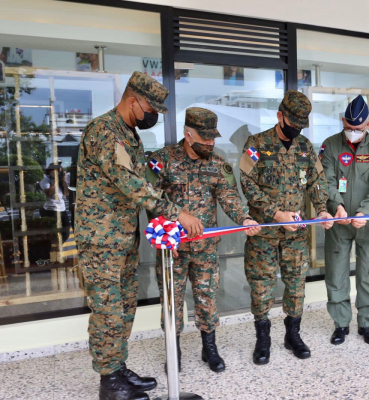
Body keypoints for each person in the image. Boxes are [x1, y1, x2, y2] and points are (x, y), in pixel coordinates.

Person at [75, 71, 203, 400]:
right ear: (134, 101)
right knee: (107, 309)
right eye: (152, 110)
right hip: (101, 241)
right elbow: (131, 185)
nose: (154, 117)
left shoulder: (130, 135)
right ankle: (109, 381)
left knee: (125, 306)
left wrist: (164, 229)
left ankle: (118, 368)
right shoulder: (104, 131)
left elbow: (142, 189)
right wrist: (178, 214)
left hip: (124, 238)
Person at [146, 108, 261, 374]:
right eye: (205, 138)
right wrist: (165, 236)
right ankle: (172, 351)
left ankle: (209, 348)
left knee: (207, 300)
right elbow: (150, 201)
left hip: (205, 250)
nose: (210, 143)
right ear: (188, 135)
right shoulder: (161, 161)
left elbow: (229, 196)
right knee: (171, 303)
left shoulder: (217, 164)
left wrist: (244, 218)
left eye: (213, 137)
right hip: (171, 249)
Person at [240, 90, 333, 365]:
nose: (295, 130)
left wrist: (323, 208)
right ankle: (263, 339)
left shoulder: (305, 146)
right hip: (264, 234)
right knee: (262, 285)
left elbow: (317, 180)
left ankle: (293, 335)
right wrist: (274, 213)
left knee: (295, 284)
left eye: (300, 125)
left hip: (295, 233)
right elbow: (247, 183)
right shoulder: (256, 144)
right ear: (280, 116)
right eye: (292, 124)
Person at [321, 95, 369, 346]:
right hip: (338, 222)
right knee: (336, 271)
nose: (353, 133)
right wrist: (337, 206)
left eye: (359, 129)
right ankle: (340, 323)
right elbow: (326, 181)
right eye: (349, 128)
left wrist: (365, 212)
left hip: (366, 222)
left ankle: (367, 323)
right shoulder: (330, 145)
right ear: (343, 122)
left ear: (368, 124)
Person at [39, 162, 70, 243]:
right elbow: (48, 193)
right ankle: (53, 249)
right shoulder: (45, 179)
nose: (58, 173)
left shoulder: (59, 180)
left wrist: (63, 180)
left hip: (62, 209)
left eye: (59, 171)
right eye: (56, 171)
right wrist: (54, 181)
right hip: (51, 209)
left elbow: (66, 193)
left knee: (66, 231)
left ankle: (58, 246)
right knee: (53, 233)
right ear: (50, 171)